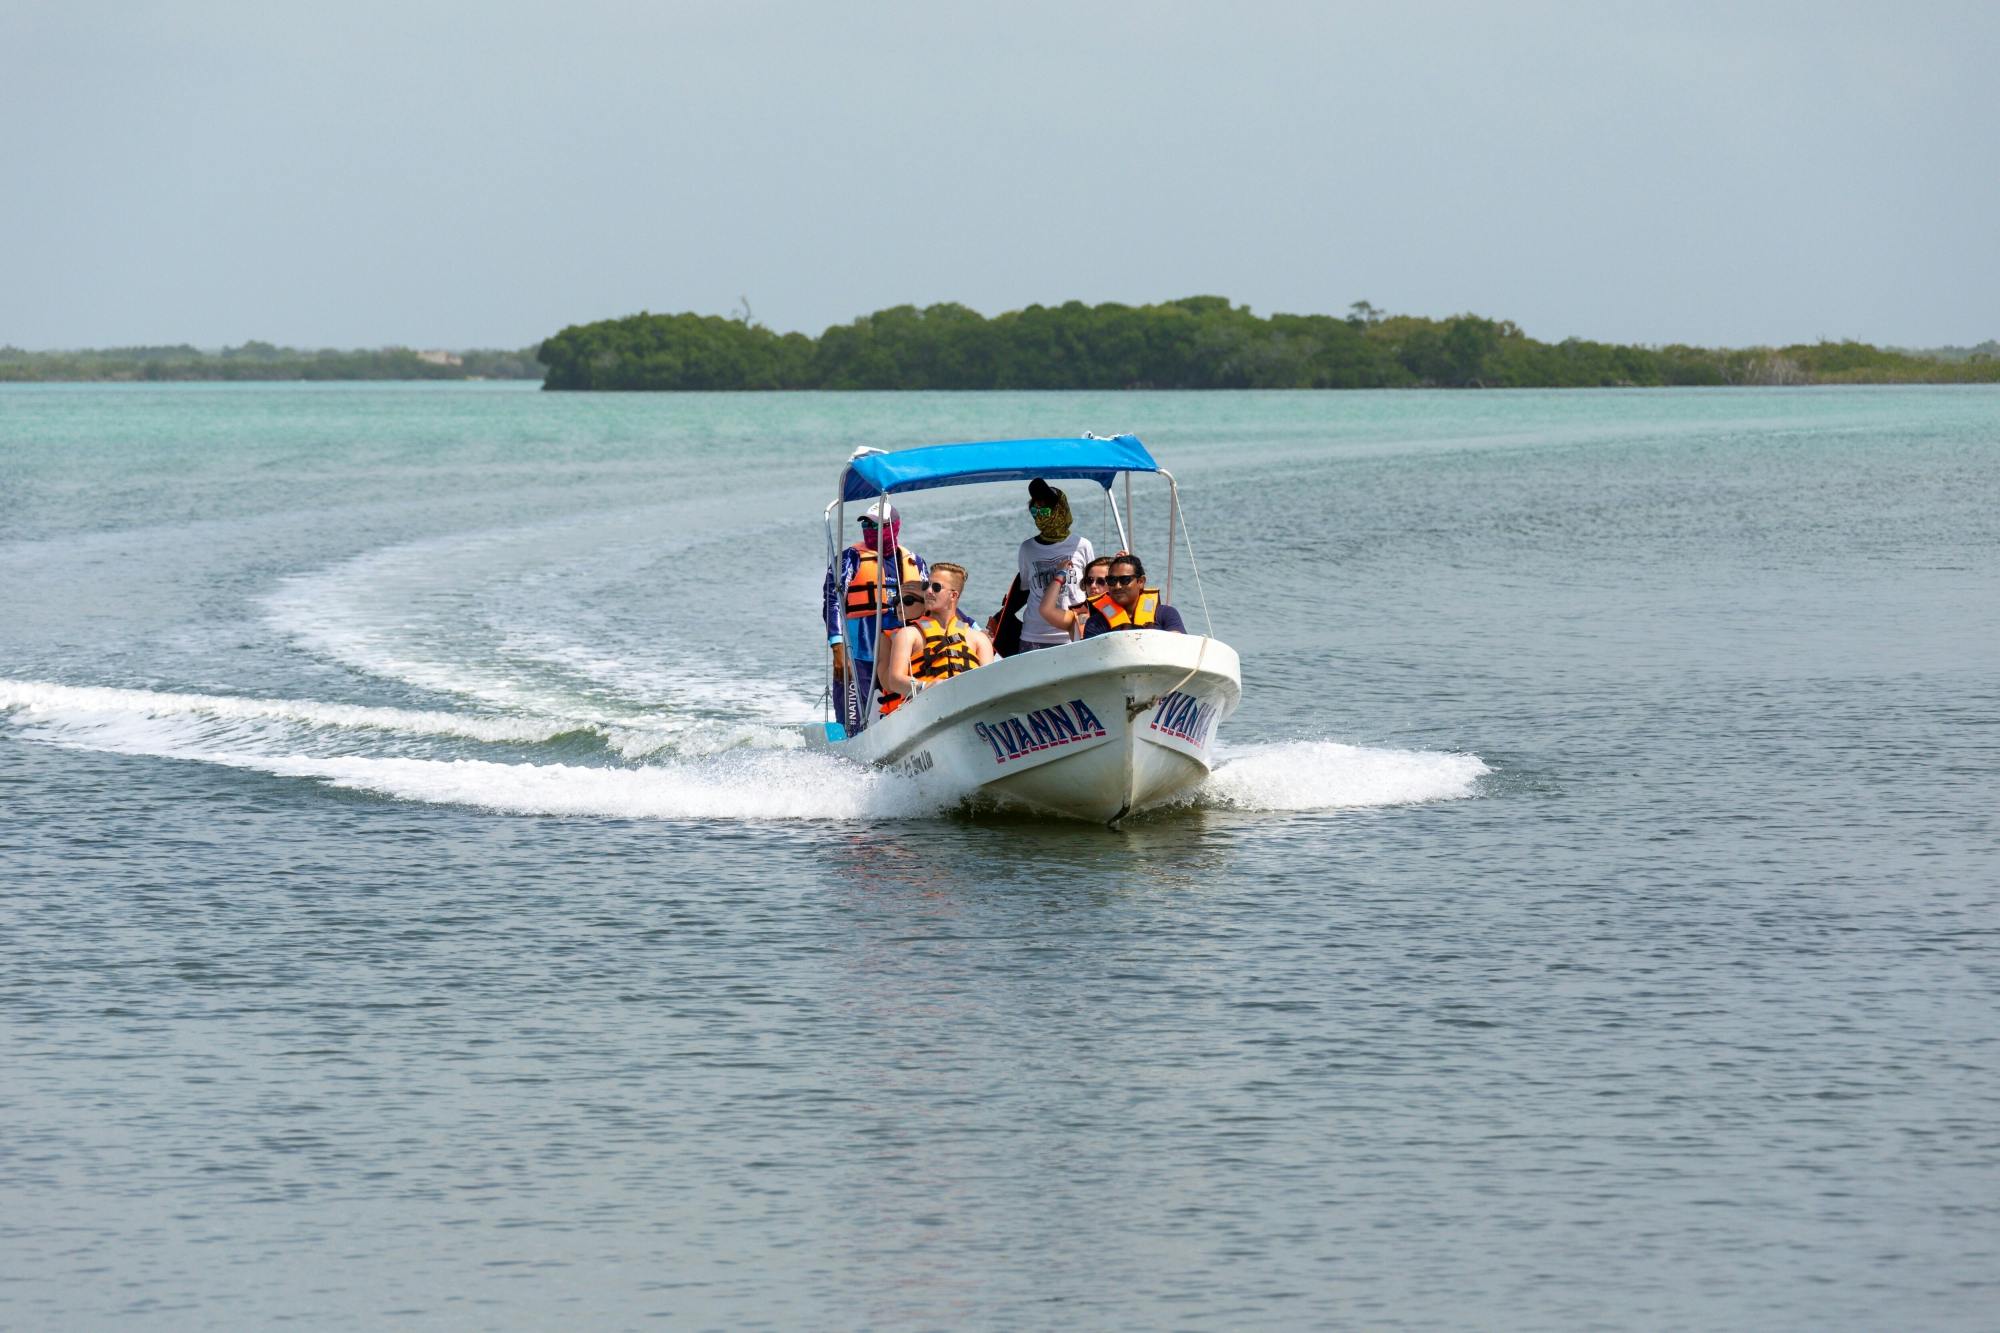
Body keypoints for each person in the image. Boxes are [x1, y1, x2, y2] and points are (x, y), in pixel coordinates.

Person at [822, 500, 927, 733]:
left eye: (876, 526)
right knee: (854, 721)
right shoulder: (850, 558)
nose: (869, 531)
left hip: (901, 655)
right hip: (859, 653)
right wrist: (838, 648)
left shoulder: (915, 562)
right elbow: (831, 601)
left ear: (893, 527)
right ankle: (850, 746)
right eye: (866, 526)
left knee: (904, 710)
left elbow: (930, 603)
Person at [878, 562, 995, 716]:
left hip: (969, 710)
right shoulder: (908, 634)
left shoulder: (979, 639)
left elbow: (988, 683)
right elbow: (894, 680)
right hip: (921, 711)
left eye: (936, 587)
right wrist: (926, 687)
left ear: (953, 595)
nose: (928, 591)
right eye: (926, 585)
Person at [1009, 478, 1094, 652]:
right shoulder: (1027, 549)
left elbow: (1093, 586)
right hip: (1034, 635)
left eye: (1045, 510)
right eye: (1035, 511)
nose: (1040, 516)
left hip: (1073, 633)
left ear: (1060, 509)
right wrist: (1001, 616)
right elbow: (1025, 590)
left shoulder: (1082, 545)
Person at [1081, 553, 1188, 637]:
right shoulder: (1095, 623)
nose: (1117, 586)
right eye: (1112, 580)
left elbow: (1179, 645)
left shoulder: (1167, 614)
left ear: (1141, 581)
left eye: (1125, 580)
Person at [1035, 555, 1115, 642]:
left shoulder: (1128, 609)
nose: (1093, 585)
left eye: (1101, 581)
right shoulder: (1075, 618)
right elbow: (1046, 610)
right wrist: (1060, 575)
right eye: (1089, 580)